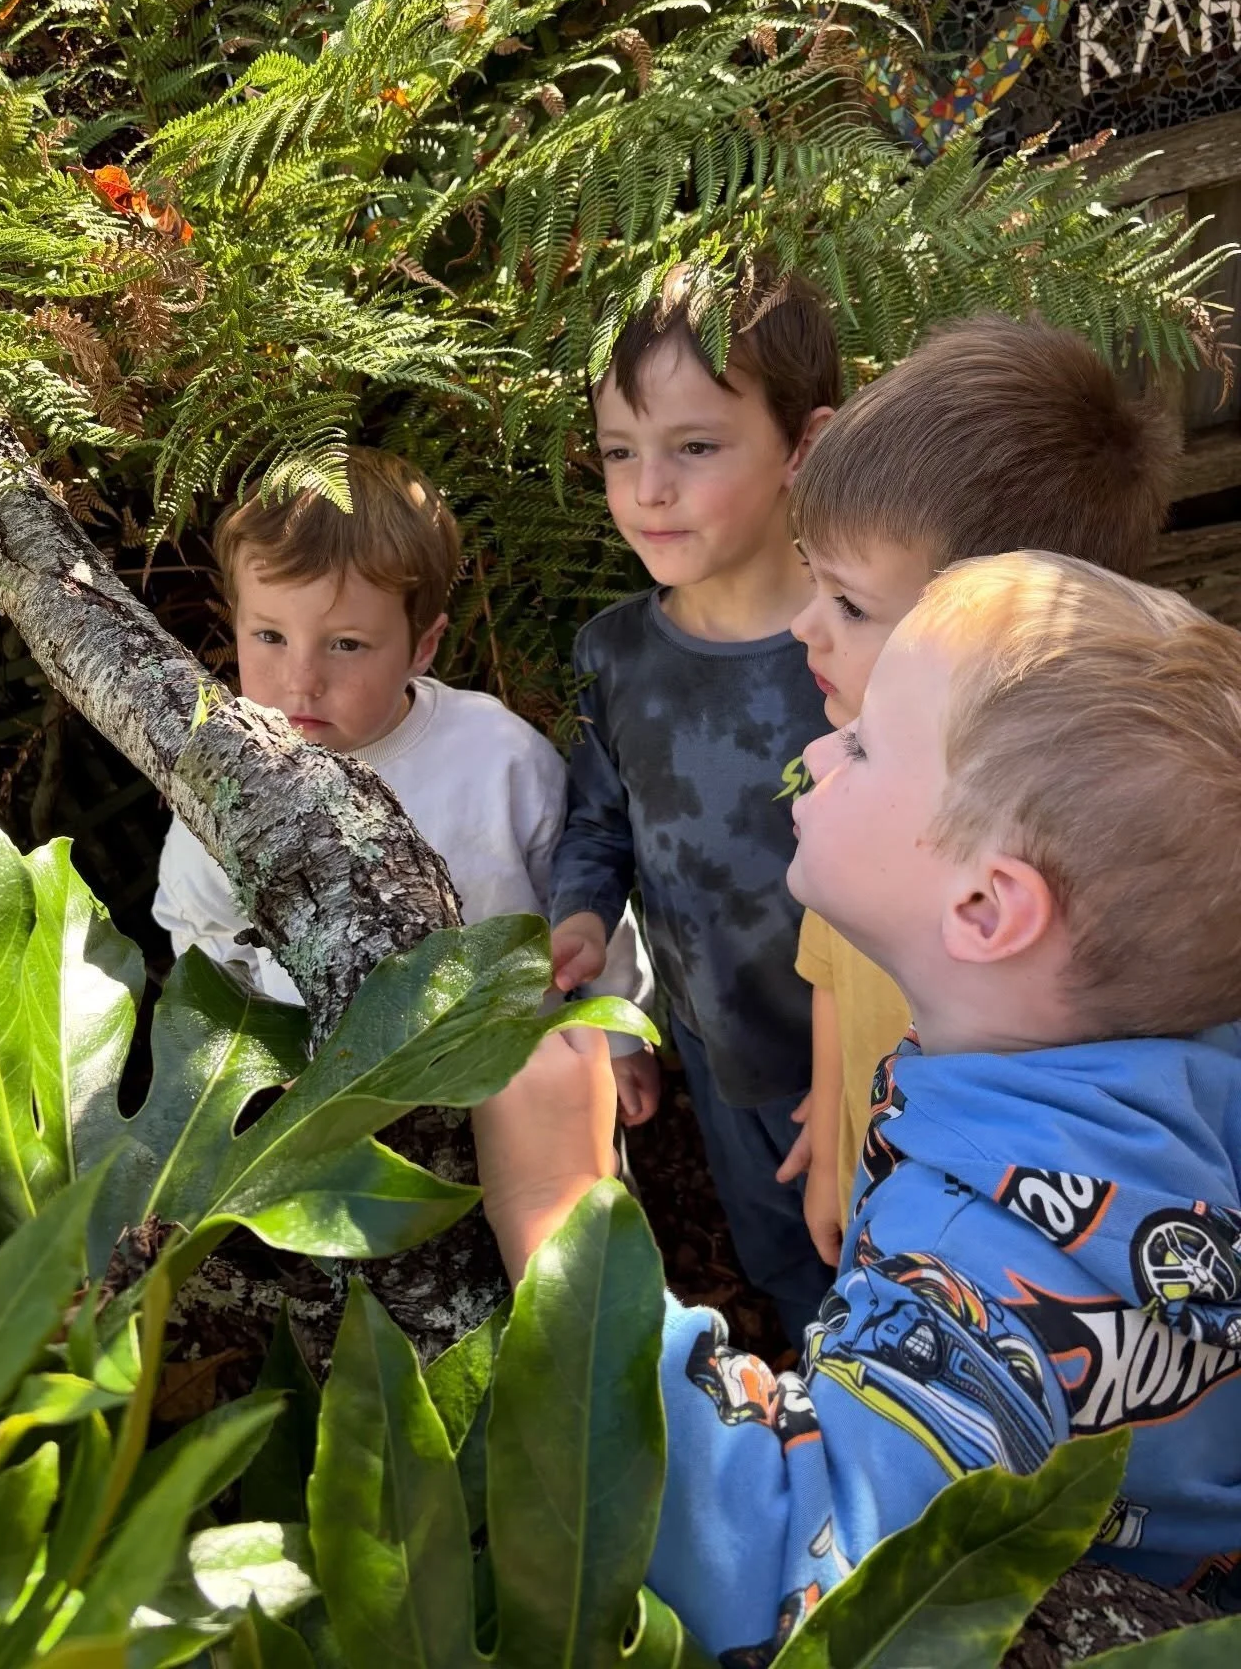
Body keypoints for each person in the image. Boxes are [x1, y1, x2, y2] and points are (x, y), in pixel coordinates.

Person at [475, 552, 1241, 1660]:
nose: (820, 748)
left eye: (869, 745)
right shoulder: (1191, 1052)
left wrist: (558, 1213)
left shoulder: (977, 1267)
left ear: (985, 908)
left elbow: (787, 1579)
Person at [783, 317, 1175, 1265]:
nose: (804, 626)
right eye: (812, 581)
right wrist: (838, 1140)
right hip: (882, 1183)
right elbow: (834, 967)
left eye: (850, 603)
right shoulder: (860, 786)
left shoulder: (1087, 844)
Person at [547, 257, 842, 1351]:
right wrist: (582, 923)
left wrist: (871, 1068)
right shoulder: (615, 654)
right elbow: (600, 827)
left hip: (884, 1069)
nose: (647, 490)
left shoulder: (859, 641)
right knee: (782, 1265)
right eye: (621, 452)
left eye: (695, 447)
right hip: (729, 1064)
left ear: (802, 447)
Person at [154, 447, 649, 1010]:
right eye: (270, 636)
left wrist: (616, 1031)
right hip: (342, 1088)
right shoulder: (223, 783)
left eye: (347, 644)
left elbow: (584, 904)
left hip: (514, 1067)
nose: (302, 680)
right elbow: (202, 928)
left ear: (424, 646)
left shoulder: (496, 755)